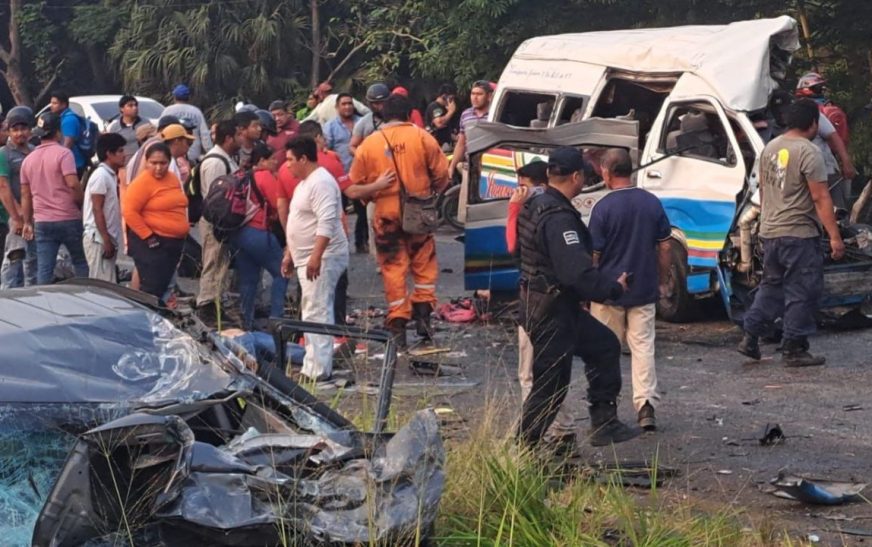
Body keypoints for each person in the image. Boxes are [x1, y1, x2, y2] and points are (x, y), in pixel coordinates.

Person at [516, 146, 638, 448]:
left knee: (605, 346)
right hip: (551, 311)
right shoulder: (558, 218)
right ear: (576, 176)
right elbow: (577, 274)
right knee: (551, 384)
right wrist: (613, 289)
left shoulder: (537, 204)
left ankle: (604, 422)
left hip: (555, 305)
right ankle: (524, 448)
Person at [738, 99, 844, 367]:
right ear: (813, 124)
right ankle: (794, 347)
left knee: (772, 286)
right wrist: (834, 236)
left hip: (770, 232)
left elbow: (764, 189)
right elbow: (820, 198)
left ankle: (750, 335)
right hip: (798, 234)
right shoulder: (808, 152)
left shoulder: (769, 149)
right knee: (803, 289)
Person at [349, 94, 450, 348]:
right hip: (419, 212)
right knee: (424, 264)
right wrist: (430, 194)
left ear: (382, 115)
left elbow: (356, 184)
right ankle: (424, 319)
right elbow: (442, 175)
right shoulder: (423, 138)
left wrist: (373, 196)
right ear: (409, 114)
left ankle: (397, 327)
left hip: (385, 216)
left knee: (393, 269)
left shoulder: (368, 145)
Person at [588, 149, 672, 432]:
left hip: (608, 292)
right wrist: (660, 280)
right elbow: (665, 246)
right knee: (643, 347)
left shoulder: (602, 208)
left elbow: (594, 255)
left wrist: (590, 287)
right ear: (631, 170)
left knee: (605, 350)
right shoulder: (651, 203)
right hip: (644, 289)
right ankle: (646, 405)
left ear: (606, 172)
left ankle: (606, 406)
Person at [506, 159, 576, 444]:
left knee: (531, 373)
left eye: (524, 186)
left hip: (536, 303)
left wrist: (513, 211)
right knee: (555, 370)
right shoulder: (560, 212)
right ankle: (562, 427)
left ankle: (536, 432)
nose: (520, 192)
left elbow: (512, 248)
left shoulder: (534, 213)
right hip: (557, 303)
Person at [281, 136, 349, 382]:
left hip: (324, 256)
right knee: (310, 310)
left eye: (290, 160)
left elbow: (327, 222)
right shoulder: (303, 184)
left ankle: (318, 370)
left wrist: (316, 256)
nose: (287, 165)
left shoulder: (321, 183)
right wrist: (290, 253)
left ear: (303, 159)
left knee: (317, 311)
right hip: (306, 256)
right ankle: (314, 364)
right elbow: (298, 221)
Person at [20, 111, 88, 285]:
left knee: (44, 268)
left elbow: (25, 195)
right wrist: (81, 204)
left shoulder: (28, 160)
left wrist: (27, 222)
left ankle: (46, 302)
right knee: (79, 262)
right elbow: (73, 184)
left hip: (42, 221)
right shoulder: (64, 154)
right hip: (68, 217)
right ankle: (85, 298)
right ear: (58, 132)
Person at [231, 141, 288, 330]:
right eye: (272, 160)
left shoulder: (242, 175)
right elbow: (277, 203)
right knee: (282, 272)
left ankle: (246, 322)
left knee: (249, 279)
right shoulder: (264, 176)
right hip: (258, 231)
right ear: (262, 161)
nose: (275, 164)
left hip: (239, 232)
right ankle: (277, 321)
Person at [122, 143, 189, 301]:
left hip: (173, 242)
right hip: (152, 242)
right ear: (146, 162)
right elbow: (130, 212)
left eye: (163, 163)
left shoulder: (172, 178)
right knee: (152, 289)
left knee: (165, 286)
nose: (158, 168)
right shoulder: (141, 183)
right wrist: (148, 236)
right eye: (154, 163)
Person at [196, 120, 240, 324]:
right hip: (215, 221)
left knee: (220, 263)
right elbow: (216, 198)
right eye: (238, 136)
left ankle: (215, 302)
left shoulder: (225, 158)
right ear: (229, 137)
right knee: (213, 262)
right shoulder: (215, 162)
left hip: (221, 222)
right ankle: (206, 305)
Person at [793, 75, 856, 210]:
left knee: (837, 212)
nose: (822, 91)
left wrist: (846, 162)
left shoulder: (816, 113)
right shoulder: (805, 112)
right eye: (818, 88)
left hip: (825, 171)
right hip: (804, 174)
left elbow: (834, 137)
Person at [324, 94, 368, 253]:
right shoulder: (329, 127)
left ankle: (361, 242)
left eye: (350, 103)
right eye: (343, 104)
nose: (347, 107)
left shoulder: (362, 122)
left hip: (360, 176)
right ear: (337, 107)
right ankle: (340, 245)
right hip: (338, 177)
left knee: (363, 211)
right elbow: (325, 150)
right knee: (337, 212)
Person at [0, 106, 37, 289]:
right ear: (9, 131)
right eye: (15, 130)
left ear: (30, 130)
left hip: (36, 214)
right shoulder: (3, 154)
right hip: (16, 216)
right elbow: (3, 187)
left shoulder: (34, 150)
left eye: (23, 129)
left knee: (33, 259)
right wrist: (17, 217)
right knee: (14, 256)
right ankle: (7, 298)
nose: (20, 133)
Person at [82, 133, 126, 282]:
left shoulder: (110, 175)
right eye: (120, 151)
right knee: (101, 286)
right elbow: (97, 209)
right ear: (109, 153)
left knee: (108, 282)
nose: (124, 155)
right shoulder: (101, 176)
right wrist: (105, 239)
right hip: (98, 238)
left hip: (104, 237)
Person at [448, 80, 493, 176]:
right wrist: (452, 166)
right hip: (470, 164)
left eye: (479, 94)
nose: (475, 98)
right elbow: (461, 143)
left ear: (489, 96)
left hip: (490, 165)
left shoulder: (494, 114)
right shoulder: (466, 114)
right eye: (473, 94)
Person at [161, 84, 213, 162]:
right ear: (189, 97)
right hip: (193, 154)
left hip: (172, 154)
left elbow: (160, 133)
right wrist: (210, 153)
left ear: (174, 97)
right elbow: (205, 135)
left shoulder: (167, 111)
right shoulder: (196, 111)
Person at [49, 91, 88, 177]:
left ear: (64, 105)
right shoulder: (63, 118)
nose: (51, 106)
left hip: (74, 164)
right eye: (51, 103)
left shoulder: (69, 120)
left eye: (55, 103)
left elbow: (67, 145)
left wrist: (57, 163)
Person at [349, 82, 391, 155]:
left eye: (383, 102)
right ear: (370, 104)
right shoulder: (363, 122)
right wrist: (364, 159)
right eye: (377, 103)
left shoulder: (398, 118)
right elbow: (352, 147)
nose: (381, 107)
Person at [106, 95, 148, 161]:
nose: (135, 108)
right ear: (121, 109)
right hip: (123, 166)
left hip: (142, 164)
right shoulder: (114, 128)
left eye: (136, 105)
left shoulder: (146, 124)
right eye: (130, 106)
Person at [425, 83, 458, 149]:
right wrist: (451, 112)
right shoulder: (435, 106)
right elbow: (439, 123)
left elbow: (445, 130)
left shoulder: (445, 109)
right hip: (436, 145)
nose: (452, 101)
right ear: (444, 96)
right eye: (451, 98)